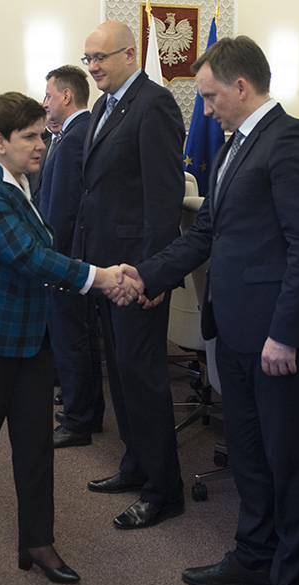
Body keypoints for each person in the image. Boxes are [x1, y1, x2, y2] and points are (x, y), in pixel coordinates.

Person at [121, 36, 299, 585]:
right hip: (232, 330)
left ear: (241, 87)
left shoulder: (292, 140)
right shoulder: (239, 145)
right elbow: (209, 230)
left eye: (210, 97)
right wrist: (148, 274)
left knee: (288, 463)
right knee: (248, 451)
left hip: (273, 339)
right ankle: (253, 554)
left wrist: (287, 332)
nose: (204, 110)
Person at [0, 91, 141, 584]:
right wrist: (101, 277)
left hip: (26, 335)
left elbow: (38, 255)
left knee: (34, 443)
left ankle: (38, 542)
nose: (41, 144)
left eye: (43, 134)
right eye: (30, 136)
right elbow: (27, 256)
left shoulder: (19, 181)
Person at [74, 20, 186, 530]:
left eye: (100, 58)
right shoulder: (102, 105)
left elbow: (162, 201)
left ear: (130, 53)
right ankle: (135, 464)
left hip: (137, 273)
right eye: (87, 60)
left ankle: (164, 490)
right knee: (119, 374)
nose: (93, 67)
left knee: (143, 379)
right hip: (104, 267)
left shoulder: (155, 104)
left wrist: (153, 276)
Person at [40, 65, 104, 449]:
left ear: (66, 96)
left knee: (71, 339)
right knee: (79, 338)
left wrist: (48, 256)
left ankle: (79, 420)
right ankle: (86, 411)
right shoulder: (74, 132)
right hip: (73, 253)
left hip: (65, 255)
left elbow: (62, 209)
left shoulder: (77, 134)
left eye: (49, 95)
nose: (45, 103)